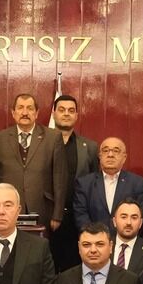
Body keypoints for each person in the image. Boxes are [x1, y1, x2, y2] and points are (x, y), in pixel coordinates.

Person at [0, 91, 72, 229]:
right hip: (6, 210)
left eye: (30, 108)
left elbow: (60, 178)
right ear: (13, 113)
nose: (25, 112)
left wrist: (57, 215)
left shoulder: (53, 138)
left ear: (36, 113)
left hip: (42, 208)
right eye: (20, 108)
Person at [48, 93, 96, 269]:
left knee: (74, 269)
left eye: (71, 110)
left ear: (76, 115)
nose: (66, 114)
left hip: (77, 220)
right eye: (61, 110)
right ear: (53, 114)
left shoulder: (90, 147)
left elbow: (94, 183)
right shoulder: (42, 144)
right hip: (49, 218)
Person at [73, 137, 143, 232]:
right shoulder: (84, 183)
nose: (110, 155)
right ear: (100, 156)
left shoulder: (137, 183)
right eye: (105, 151)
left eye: (116, 151)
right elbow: (81, 215)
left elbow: (140, 215)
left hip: (125, 238)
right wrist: (95, 236)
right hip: (94, 238)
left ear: (124, 157)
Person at [109, 199, 143, 277]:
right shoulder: (103, 246)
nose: (129, 222)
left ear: (140, 223)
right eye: (124, 217)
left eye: (134, 218)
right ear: (114, 221)